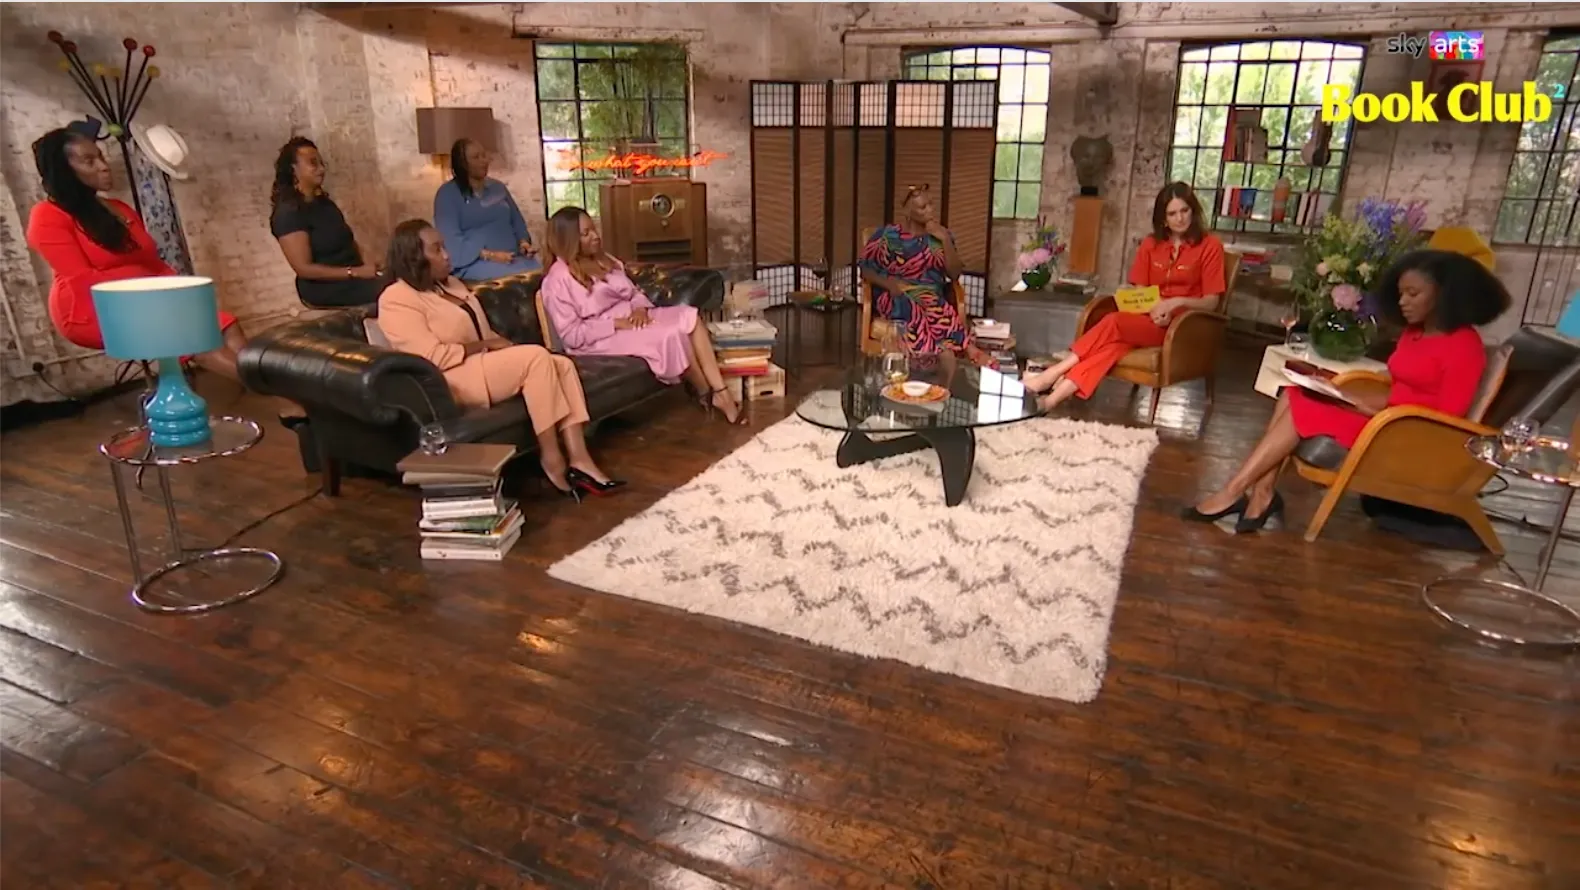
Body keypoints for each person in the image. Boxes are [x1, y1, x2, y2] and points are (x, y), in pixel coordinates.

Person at [1185, 249, 1510, 534]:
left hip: (1404, 434)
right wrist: (1350, 394)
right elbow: (1400, 379)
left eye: (1413, 294)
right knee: (1293, 392)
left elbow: (1447, 416)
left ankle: (1233, 491)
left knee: (1303, 408)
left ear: (1443, 294)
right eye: (1400, 293)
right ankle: (1262, 493)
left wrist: (1378, 406)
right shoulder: (1415, 333)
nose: (1402, 302)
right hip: (1387, 417)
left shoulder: (1464, 346)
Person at [376, 219, 623, 500]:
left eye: (444, 246)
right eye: (437, 249)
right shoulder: (396, 299)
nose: (447, 255)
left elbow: (480, 330)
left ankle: (580, 458)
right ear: (414, 256)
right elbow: (431, 356)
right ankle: (552, 458)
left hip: (481, 363)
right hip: (451, 378)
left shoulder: (450, 284)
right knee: (535, 358)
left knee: (561, 364)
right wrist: (489, 345)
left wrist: (500, 345)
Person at [25, 127, 249, 380]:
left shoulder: (118, 209)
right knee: (196, 338)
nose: (103, 166)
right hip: (92, 310)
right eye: (89, 161)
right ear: (64, 171)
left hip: (148, 300)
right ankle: (285, 399)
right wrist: (159, 304)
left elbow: (153, 263)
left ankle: (273, 393)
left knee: (226, 324)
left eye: (101, 156)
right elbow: (83, 279)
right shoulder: (48, 215)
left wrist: (182, 293)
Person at [1023, 181, 1227, 411]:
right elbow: (1141, 290)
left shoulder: (1211, 246)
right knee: (1111, 348)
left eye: (1185, 210)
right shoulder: (1151, 244)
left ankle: (1052, 374)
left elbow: (1212, 301)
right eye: (1172, 213)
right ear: (1163, 219)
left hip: (1183, 327)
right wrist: (1154, 308)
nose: (1180, 218)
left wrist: (1176, 303)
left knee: (1113, 321)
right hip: (1148, 319)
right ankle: (1051, 400)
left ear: (1194, 210)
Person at [538, 206, 746, 425]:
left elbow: (634, 292)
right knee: (671, 334)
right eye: (586, 233)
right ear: (568, 239)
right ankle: (706, 391)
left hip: (633, 317)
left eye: (594, 228)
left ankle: (720, 392)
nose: (596, 236)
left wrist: (639, 308)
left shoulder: (603, 259)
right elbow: (572, 334)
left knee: (690, 317)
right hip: (599, 337)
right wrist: (616, 324)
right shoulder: (557, 281)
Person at [858, 184, 990, 363]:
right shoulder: (888, 236)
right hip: (896, 293)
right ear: (908, 211)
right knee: (916, 304)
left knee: (933, 302)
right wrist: (889, 285)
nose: (930, 210)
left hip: (931, 295)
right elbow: (866, 268)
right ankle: (956, 348)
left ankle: (938, 355)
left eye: (931, 204)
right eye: (922, 207)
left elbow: (954, 274)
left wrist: (944, 239)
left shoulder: (941, 236)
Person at [269, 137, 383, 308]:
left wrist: (369, 264)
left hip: (352, 275)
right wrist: (354, 272)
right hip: (324, 287)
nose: (321, 169)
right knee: (392, 292)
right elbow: (304, 268)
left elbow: (349, 241)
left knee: (404, 281)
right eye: (313, 163)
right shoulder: (289, 213)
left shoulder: (323, 203)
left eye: (322, 163)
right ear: (294, 169)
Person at [433, 138, 540, 281]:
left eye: (484, 155)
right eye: (476, 157)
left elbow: (517, 221)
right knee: (516, 278)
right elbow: (451, 240)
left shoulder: (498, 187)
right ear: (462, 164)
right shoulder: (447, 195)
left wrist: (524, 244)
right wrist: (491, 255)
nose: (484, 161)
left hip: (513, 258)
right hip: (475, 263)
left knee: (540, 272)